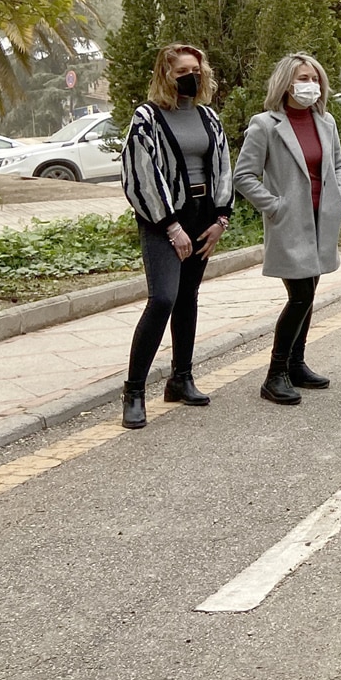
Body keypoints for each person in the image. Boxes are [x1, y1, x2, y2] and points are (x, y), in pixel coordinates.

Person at [119, 44, 235, 430]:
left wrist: (221, 220)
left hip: (203, 215)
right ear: (165, 74)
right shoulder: (146, 117)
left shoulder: (208, 116)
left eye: (197, 69)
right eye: (183, 69)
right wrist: (170, 226)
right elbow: (140, 174)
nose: (192, 76)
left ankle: (180, 378)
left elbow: (222, 165)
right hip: (162, 218)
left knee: (188, 297)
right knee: (164, 298)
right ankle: (134, 391)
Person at [233, 53, 341, 406]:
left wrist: (340, 193)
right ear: (286, 83)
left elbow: (339, 164)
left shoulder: (324, 121)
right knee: (300, 296)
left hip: (320, 221)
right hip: (290, 222)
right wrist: (275, 205)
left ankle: (297, 365)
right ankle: (275, 373)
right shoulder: (265, 124)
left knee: (309, 293)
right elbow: (243, 176)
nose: (310, 84)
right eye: (302, 77)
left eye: (314, 78)